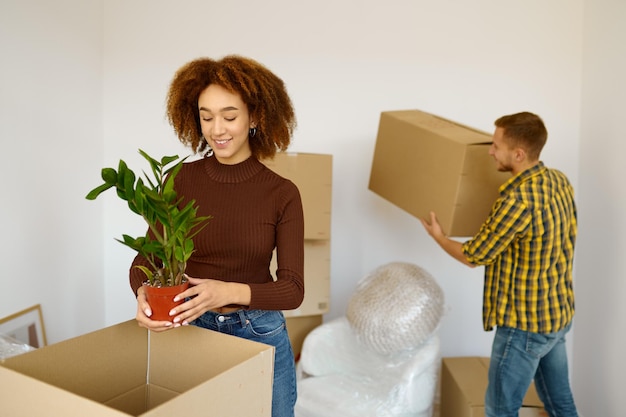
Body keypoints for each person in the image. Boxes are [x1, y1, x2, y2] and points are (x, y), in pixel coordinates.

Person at [129, 55, 305, 417]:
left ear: (255, 116)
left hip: (258, 333)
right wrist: (144, 296)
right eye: (206, 116)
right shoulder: (178, 180)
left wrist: (224, 292)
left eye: (229, 116)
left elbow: (293, 289)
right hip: (191, 327)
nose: (217, 129)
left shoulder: (282, 193)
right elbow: (146, 260)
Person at [420, 112, 578, 417]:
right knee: (561, 404)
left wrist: (439, 237)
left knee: (500, 410)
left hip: (525, 326)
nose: (490, 151)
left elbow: (474, 255)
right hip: (556, 316)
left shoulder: (517, 201)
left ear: (518, 154)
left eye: (496, 145)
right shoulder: (558, 181)